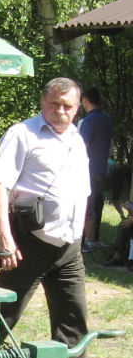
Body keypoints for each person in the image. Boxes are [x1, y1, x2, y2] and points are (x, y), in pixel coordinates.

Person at [0, 76, 103, 358]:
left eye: (68, 106)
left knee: (73, 317)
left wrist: (80, 233)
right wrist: (4, 238)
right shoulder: (22, 134)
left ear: (78, 106)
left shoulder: (77, 138)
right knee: (6, 313)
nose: (60, 111)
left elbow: (80, 190)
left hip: (68, 246)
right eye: (54, 104)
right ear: (43, 102)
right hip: (28, 243)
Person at [78, 87, 113, 252]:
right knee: (97, 204)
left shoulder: (89, 121)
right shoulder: (107, 118)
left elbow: (82, 147)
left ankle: (90, 242)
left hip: (89, 169)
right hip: (103, 168)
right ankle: (95, 238)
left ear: (85, 99)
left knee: (87, 206)